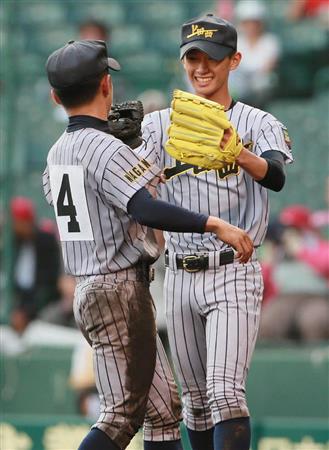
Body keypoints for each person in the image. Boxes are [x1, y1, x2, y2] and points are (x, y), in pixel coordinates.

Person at [42, 39, 253, 450]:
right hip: (117, 287)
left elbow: (81, 198)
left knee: (162, 410)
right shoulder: (102, 147)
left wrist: (127, 151)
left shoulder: (56, 152)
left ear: (55, 96)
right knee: (121, 416)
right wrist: (214, 224)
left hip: (92, 286)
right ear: (106, 85)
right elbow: (145, 209)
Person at [139, 14, 293, 450]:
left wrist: (239, 153)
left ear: (235, 60)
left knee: (225, 394)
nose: (202, 67)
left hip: (233, 271)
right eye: (193, 57)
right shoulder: (158, 125)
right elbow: (133, 185)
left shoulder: (256, 120)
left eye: (213, 58)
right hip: (181, 275)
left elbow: (276, 177)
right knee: (197, 403)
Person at [8, 196, 61, 332]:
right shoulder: (15, 243)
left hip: (42, 303)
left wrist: (26, 313)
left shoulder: (45, 240)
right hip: (21, 303)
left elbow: (49, 282)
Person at [229, 0, 281, 107]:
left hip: (259, 87)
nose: (251, 26)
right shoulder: (236, 41)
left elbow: (268, 67)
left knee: (265, 81)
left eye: (255, 22)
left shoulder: (270, 41)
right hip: (238, 83)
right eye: (247, 23)